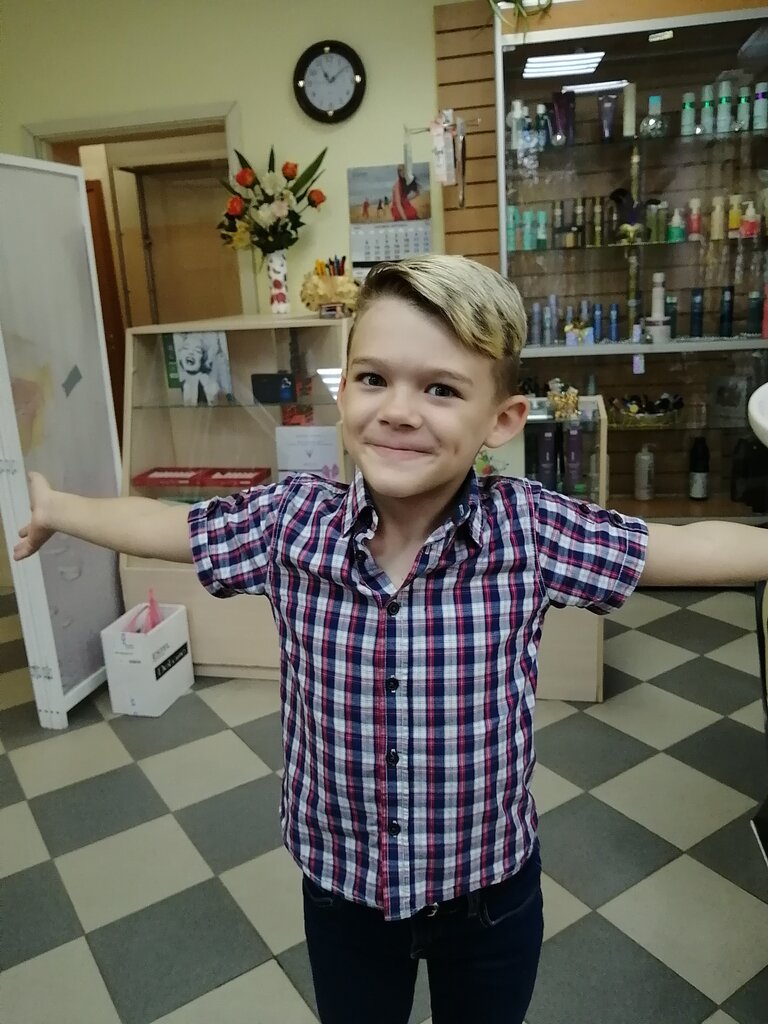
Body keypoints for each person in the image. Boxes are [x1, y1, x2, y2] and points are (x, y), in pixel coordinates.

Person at [14, 255, 766, 1024]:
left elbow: (679, 547)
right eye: (374, 378)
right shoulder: (290, 524)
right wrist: (60, 508)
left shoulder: (529, 530)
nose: (399, 411)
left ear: (502, 419)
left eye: (441, 389)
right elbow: (165, 526)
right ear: (344, 390)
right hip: (343, 892)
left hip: (489, 893)